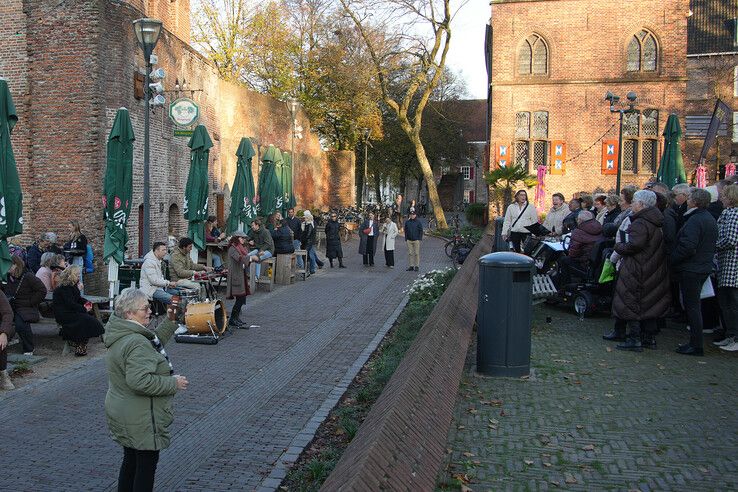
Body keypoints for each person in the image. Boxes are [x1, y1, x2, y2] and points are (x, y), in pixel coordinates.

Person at [103, 288, 188, 492]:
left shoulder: (124, 332)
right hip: (140, 416)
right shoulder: (135, 342)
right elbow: (140, 381)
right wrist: (173, 383)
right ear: (129, 313)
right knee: (145, 467)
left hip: (125, 411)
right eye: (145, 308)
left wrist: (171, 318)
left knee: (131, 461)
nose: (149, 311)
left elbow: (153, 341)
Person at [610, 190, 670, 351]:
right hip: (652, 266)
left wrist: (618, 246)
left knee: (632, 301)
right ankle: (648, 338)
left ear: (642, 204)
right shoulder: (654, 221)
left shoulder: (640, 223)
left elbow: (634, 245)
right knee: (649, 302)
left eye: (635, 202)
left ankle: (634, 339)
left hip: (637, 267)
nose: (632, 205)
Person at [671, 188, 718, 356]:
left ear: (695, 202)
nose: (687, 200)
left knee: (692, 307)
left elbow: (688, 246)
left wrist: (673, 259)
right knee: (694, 306)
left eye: (690, 198)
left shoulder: (696, 220)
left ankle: (696, 344)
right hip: (701, 266)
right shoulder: (708, 218)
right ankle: (695, 342)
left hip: (692, 268)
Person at [53, 265, 104, 356]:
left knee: (88, 319)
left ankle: (80, 344)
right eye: (77, 275)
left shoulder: (72, 286)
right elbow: (70, 304)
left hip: (71, 312)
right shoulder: (64, 288)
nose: (78, 277)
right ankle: (79, 345)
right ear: (71, 275)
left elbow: (77, 298)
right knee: (86, 320)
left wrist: (86, 302)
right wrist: (84, 308)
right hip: (64, 314)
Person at [2, 256, 47, 356]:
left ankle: (29, 348)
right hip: (11, 307)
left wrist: (31, 302)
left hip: (26, 308)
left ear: (16, 265)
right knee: (5, 320)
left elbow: (42, 290)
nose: (6, 267)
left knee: (20, 323)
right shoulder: (5, 278)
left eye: (9, 265)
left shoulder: (27, 276)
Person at [715, 184, 738, 351]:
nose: (721, 198)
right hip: (726, 263)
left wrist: (714, 245)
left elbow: (730, 239)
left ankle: (734, 337)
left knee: (732, 303)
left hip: (732, 265)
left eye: (724, 196)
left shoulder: (732, 214)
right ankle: (730, 334)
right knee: (726, 302)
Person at [555, 211, 603, 286]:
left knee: (564, 260)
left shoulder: (578, 232)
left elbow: (573, 254)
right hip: (597, 264)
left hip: (585, 264)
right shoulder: (600, 228)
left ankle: (565, 286)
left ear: (579, 220)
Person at [226, 231, 251, 327]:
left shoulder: (241, 247)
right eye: (242, 238)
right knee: (240, 298)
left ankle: (236, 318)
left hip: (241, 274)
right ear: (237, 238)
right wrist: (251, 258)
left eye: (244, 238)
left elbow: (244, 256)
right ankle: (233, 318)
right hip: (235, 275)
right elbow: (239, 258)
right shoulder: (232, 248)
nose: (244, 240)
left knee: (242, 298)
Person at [0, 291, 15, 390]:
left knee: (0, 341)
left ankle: (3, 373)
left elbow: (8, 313)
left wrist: (4, 333)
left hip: (2, 327)